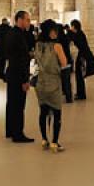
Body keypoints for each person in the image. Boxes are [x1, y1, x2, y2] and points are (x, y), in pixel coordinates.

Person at [35, 20, 68, 152]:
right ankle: (54, 142)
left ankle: (44, 139)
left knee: (43, 112)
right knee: (57, 113)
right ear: (51, 31)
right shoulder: (57, 46)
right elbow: (64, 63)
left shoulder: (38, 45)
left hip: (41, 82)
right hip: (53, 82)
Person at [3, 11, 33, 143]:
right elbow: (20, 60)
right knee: (18, 105)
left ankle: (10, 130)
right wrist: (25, 80)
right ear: (19, 20)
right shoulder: (18, 35)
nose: (29, 22)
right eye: (27, 20)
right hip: (17, 74)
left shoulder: (11, 33)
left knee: (11, 103)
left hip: (12, 73)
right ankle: (17, 134)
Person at [69, 19, 94, 100]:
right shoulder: (79, 33)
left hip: (82, 55)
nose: (70, 28)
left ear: (74, 26)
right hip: (82, 54)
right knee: (79, 75)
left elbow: (79, 43)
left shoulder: (79, 34)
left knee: (80, 75)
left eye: (71, 26)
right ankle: (80, 93)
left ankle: (81, 94)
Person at [57, 22, 74, 103]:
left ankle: (64, 94)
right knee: (67, 80)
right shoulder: (65, 37)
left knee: (62, 80)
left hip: (61, 61)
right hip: (67, 61)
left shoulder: (58, 40)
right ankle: (69, 97)